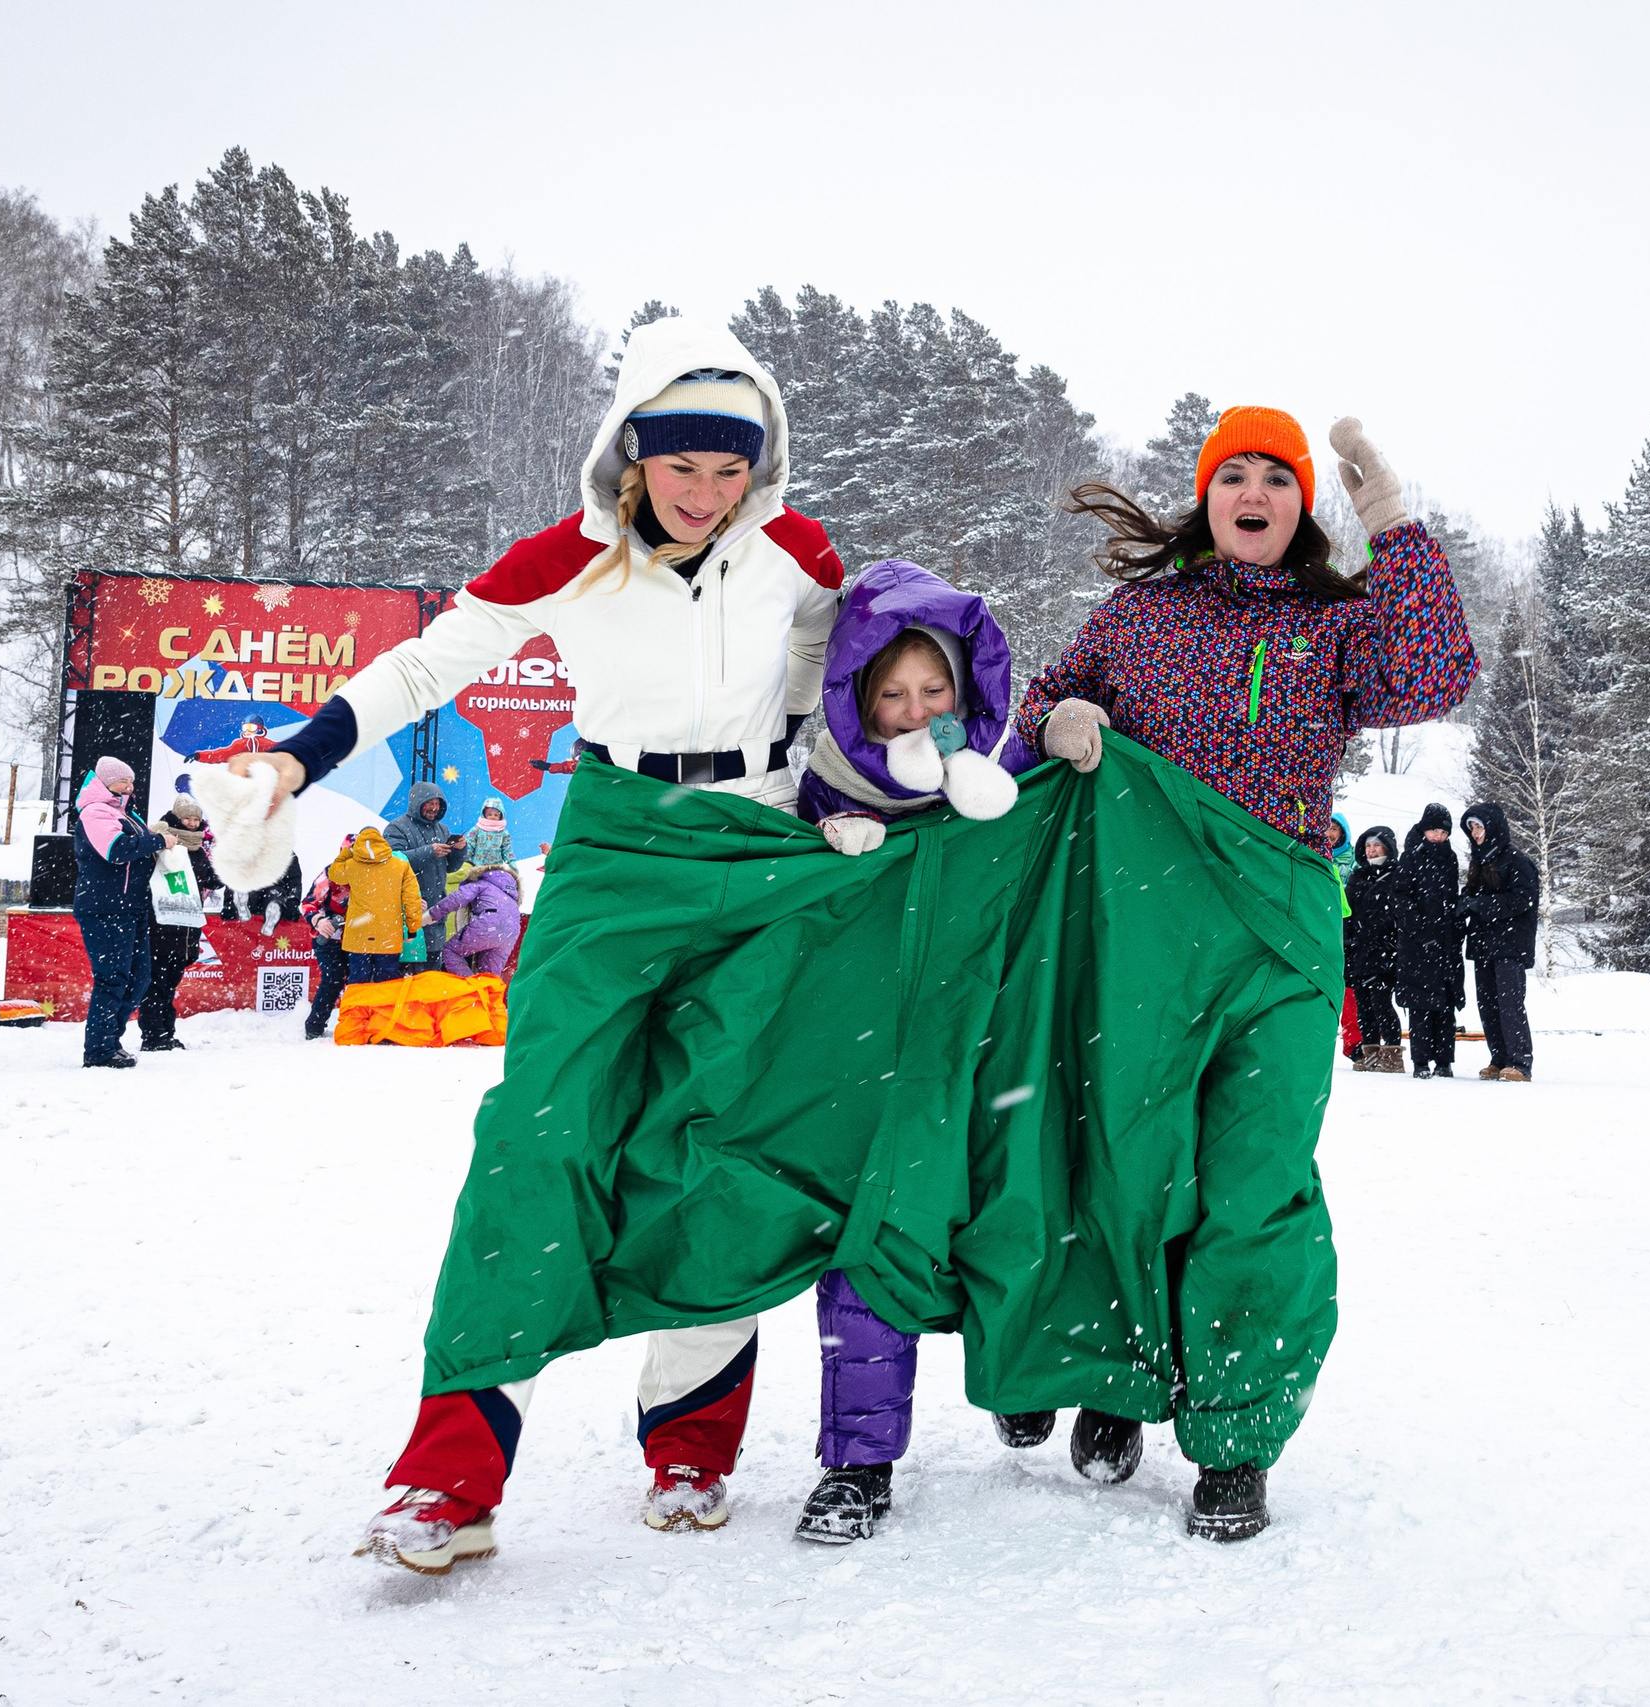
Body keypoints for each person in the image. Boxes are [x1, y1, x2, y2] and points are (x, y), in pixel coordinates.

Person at [227, 319, 841, 1570]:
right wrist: (298, 754)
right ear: (633, 451)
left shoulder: (800, 555)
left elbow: (881, 670)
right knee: (538, 1131)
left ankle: (690, 1444)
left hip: (772, 849)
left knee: (727, 1142)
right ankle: (448, 1477)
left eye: (734, 470)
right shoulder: (570, 559)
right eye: (685, 467)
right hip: (617, 847)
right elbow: (418, 669)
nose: (708, 495)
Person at [1010, 407, 1476, 1539]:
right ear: (1207, 495)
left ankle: (1236, 1431)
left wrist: (1394, 529)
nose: (1254, 492)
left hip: (1281, 931)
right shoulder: (1142, 613)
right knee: (1132, 1165)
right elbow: (1034, 712)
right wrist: (1057, 722)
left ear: (1297, 506)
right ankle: (1121, 1377)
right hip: (1152, 933)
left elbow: (1438, 672)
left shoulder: (1333, 624)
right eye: (1236, 475)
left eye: (1279, 477)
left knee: (1256, 1181)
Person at [788, 555, 1031, 1545]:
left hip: (992, 1049)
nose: (914, 709)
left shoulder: (1008, 780)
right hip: (873, 1062)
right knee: (872, 1239)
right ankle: (856, 1463)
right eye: (890, 693)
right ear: (857, 698)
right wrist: (824, 832)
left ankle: (1026, 1367)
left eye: (934, 689)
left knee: (1015, 1215)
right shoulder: (825, 786)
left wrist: (1061, 734)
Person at [73, 757, 184, 1070]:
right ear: (107, 782)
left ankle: (111, 1039)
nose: (130, 787)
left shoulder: (124, 812)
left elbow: (137, 847)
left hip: (131, 908)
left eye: (132, 782)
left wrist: (159, 844)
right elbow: (116, 850)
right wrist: (157, 840)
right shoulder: (96, 811)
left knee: (139, 979)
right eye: (124, 781)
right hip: (105, 908)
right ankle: (98, 1050)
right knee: (112, 979)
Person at [1458, 802, 1537, 1081]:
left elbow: (1522, 899)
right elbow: (1476, 896)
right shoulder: (1480, 861)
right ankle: (1499, 1057)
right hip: (1484, 944)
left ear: (1493, 828)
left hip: (1510, 944)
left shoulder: (1516, 860)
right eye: (1472, 828)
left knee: (1509, 1002)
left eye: (1479, 826)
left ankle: (1519, 1061)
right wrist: (1465, 903)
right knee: (1487, 1003)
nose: (1476, 833)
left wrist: (1481, 905)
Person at [138, 796, 216, 1053]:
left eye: (196, 819)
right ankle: (153, 1035)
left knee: (169, 984)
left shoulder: (200, 850)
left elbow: (210, 879)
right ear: (176, 818)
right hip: (161, 925)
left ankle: (166, 1032)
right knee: (156, 984)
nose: (192, 824)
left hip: (186, 928)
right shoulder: (160, 842)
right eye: (187, 819)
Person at [1394, 804, 1465, 1079]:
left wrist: (1456, 924)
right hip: (1418, 944)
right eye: (1434, 830)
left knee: (1446, 1005)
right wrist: (1419, 932)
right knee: (1421, 1006)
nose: (1438, 835)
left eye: (1443, 831)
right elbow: (1401, 898)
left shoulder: (1450, 858)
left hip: (1446, 942)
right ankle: (1421, 1061)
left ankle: (1445, 1061)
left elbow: (1452, 896)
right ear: (1424, 830)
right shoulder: (1411, 857)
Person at [325, 826, 424, 992]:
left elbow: (334, 873)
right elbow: (412, 899)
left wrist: (349, 851)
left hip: (358, 935)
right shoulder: (400, 866)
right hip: (388, 935)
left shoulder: (351, 865)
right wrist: (413, 928)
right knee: (387, 986)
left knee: (358, 984)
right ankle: (383, 1017)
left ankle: (356, 1016)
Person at [1343, 826, 1407, 1072]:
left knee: (1382, 1003)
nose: (1371, 850)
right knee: (1364, 1006)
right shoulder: (1358, 877)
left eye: (1376, 845)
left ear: (1387, 848)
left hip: (1385, 952)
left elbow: (1400, 915)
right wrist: (1348, 942)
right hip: (1360, 952)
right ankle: (1369, 1052)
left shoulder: (1396, 876)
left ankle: (1392, 1054)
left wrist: (1393, 942)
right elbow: (1347, 915)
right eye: (1368, 846)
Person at [382, 784, 464, 954]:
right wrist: (429, 851)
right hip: (405, 913)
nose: (434, 808)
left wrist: (459, 850)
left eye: (437, 804)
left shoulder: (443, 829)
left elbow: (451, 867)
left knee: (431, 973)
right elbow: (392, 863)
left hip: (435, 914)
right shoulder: (396, 828)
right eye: (429, 803)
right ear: (417, 802)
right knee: (404, 973)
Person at [299, 838, 355, 1040]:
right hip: (328, 937)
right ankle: (314, 1027)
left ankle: (355, 1025)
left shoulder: (372, 874)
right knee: (333, 980)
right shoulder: (331, 873)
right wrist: (318, 920)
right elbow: (308, 903)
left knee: (358, 982)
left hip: (358, 937)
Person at [424, 864, 522, 981]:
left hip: (488, 924)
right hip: (510, 934)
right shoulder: (510, 895)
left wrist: (431, 915)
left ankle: (472, 986)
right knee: (490, 976)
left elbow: (456, 899)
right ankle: (488, 995)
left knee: (451, 951)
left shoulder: (481, 883)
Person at [1325, 812, 1362, 1062]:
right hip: (1323, 928)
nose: (1329, 834)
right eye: (1326, 828)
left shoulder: (1354, 862)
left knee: (1349, 989)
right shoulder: (1317, 856)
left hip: (1348, 930)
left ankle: (1354, 1042)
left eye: (1334, 829)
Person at [191, 715, 276, 763]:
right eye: (245, 727)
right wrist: (200, 756)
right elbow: (223, 754)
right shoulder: (240, 744)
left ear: (259, 729)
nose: (247, 730)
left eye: (250, 727)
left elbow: (282, 750)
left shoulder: (266, 744)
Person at [459, 798, 515, 870]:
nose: (492, 817)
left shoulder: (503, 833)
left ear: (501, 816)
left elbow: (507, 849)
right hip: (477, 866)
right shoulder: (477, 829)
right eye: (489, 814)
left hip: (496, 867)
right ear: (484, 815)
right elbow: (469, 845)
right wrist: (465, 860)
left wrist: (511, 862)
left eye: (496, 815)